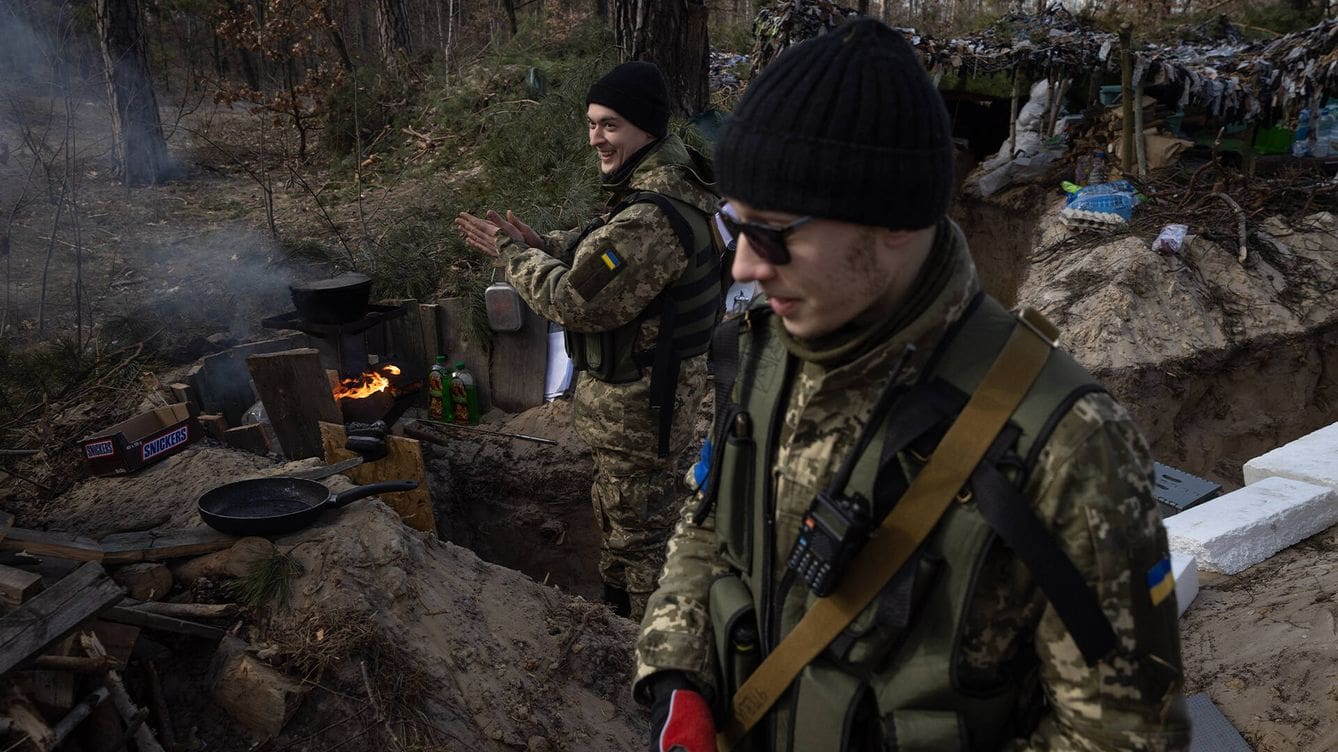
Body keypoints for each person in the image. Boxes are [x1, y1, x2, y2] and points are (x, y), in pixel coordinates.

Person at [634, 19, 1191, 752]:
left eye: (773, 233)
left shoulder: (1068, 444)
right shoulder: (760, 353)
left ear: (892, 221)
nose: (742, 267)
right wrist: (677, 676)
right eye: (735, 226)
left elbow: (1123, 738)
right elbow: (709, 527)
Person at [456, 61, 719, 622]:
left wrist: (510, 254)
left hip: (641, 409)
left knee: (642, 539)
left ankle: (650, 657)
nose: (596, 137)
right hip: (642, 402)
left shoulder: (650, 217)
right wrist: (542, 242)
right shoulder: (658, 187)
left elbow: (575, 300)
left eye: (610, 125)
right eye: (592, 123)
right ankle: (616, 614)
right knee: (622, 518)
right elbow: (599, 257)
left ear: (646, 129)